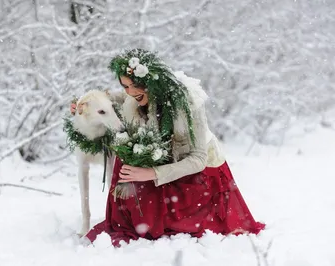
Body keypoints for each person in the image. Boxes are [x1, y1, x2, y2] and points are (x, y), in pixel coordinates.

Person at [72, 49, 265, 247]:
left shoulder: (189, 104)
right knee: (126, 163)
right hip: (165, 162)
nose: (130, 92)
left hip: (200, 173)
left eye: (134, 85)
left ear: (150, 82)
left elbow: (198, 159)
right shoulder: (134, 96)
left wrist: (151, 173)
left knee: (158, 220)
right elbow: (110, 98)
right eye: (125, 86)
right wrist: (81, 104)